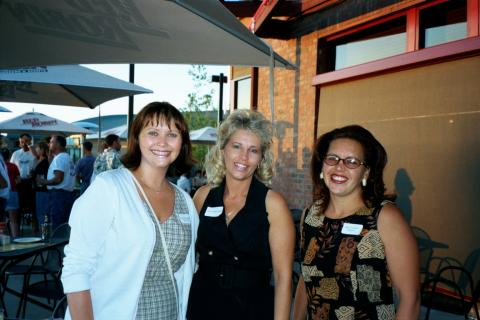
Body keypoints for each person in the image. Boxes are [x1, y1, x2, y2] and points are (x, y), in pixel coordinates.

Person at [62, 102, 199, 320]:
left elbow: (185, 273)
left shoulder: (185, 201)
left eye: (172, 134)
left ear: (181, 143)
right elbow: (76, 268)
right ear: (137, 138)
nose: (162, 142)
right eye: (153, 132)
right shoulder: (110, 188)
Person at [292, 125, 420, 320]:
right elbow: (306, 279)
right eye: (332, 158)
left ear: (366, 173)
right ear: (322, 166)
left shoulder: (385, 217)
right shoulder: (310, 216)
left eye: (352, 161)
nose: (339, 167)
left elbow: (410, 299)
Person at [187, 110, 295, 320]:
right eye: (236, 146)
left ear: (261, 157)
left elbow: (283, 277)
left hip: (251, 309)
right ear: (223, 149)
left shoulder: (273, 204)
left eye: (253, 150)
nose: (243, 157)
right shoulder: (202, 196)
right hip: (202, 305)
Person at [36, 135, 75, 230]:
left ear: (57, 144)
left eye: (51, 142)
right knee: (63, 223)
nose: (49, 144)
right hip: (65, 195)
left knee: (57, 224)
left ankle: (57, 243)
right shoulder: (65, 157)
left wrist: (43, 181)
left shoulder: (60, 158)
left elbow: (58, 179)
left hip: (59, 196)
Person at [10, 133, 37, 224]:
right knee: (18, 206)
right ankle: (17, 225)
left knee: (33, 205)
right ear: (19, 143)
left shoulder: (34, 153)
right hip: (19, 183)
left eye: (26, 141)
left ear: (30, 141)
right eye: (22, 142)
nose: (24, 143)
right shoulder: (16, 154)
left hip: (31, 182)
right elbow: (12, 168)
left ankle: (34, 227)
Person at [1, 148, 21, 237]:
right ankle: (15, 238)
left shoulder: (2, 165)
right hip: (12, 192)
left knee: (2, 220)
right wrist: (11, 184)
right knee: (13, 219)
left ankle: (4, 238)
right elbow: (19, 180)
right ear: (9, 156)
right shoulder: (13, 166)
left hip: (2, 194)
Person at [32, 141, 50, 226]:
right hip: (40, 190)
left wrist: (34, 176)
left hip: (42, 190)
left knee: (41, 213)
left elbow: (41, 177)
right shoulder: (40, 160)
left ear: (42, 149)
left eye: (37, 148)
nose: (36, 150)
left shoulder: (44, 162)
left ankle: (43, 233)